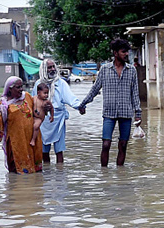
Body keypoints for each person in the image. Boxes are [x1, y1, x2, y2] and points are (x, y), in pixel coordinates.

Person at [78, 38, 141, 166]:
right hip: (109, 113)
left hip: (126, 112)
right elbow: (95, 89)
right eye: (123, 52)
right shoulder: (105, 69)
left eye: (127, 52)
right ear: (115, 53)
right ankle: (104, 173)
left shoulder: (131, 70)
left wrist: (138, 113)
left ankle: (120, 173)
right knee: (106, 144)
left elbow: (135, 93)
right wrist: (83, 103)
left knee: (123, 145)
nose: (126, 54)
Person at [34, 58, 81, 164]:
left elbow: (70, 98)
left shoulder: (61, 83)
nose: (52, 69)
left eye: (53, 67)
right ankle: (46, 174)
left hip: (58, 119)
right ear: (44, 70)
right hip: (43, 120)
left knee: (59, 150)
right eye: (49, 67)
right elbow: (34, 102)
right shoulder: (38, 84)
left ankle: (60, 175)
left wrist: (80, 106)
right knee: (43, 150)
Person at [0, 76, 43, 174]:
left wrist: (46, 107)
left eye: (21, 86)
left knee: (35, 171)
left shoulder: (27, 96)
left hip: (31, 139)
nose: (21, 89)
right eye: (18, 87)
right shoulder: (4, 104)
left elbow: (37, 110)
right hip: (16, 141)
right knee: (18, 170)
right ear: (10, 89)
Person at [31, 82, 54, 147]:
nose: (46, 95)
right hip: (32, 116)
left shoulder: (47, 101)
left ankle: (33, 140)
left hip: (39, 118)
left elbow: (52, 108)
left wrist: (52, 116)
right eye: (45, 93)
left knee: (36, 126)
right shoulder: (33, 98)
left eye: (47, 93)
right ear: (38, 93)